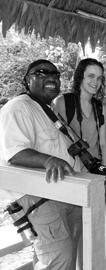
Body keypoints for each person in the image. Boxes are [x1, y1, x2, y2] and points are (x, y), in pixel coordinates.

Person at [0, 59, 82, 269]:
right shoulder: (18, 107)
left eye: (55, 74)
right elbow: (16, 152)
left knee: (57, 257)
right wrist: (48, 160)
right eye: (41, 73)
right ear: (27, 80)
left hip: (64, 194)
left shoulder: (48, 109)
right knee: (59, 258)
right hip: (40, 198)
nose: (51, 78)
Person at [53, 58, 106, 172]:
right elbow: (57, 140)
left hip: (94, 171)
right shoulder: (63, 102)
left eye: (99, 78)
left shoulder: (100, 107)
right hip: (71, 171)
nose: (95, 82)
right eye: (91, 76)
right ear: (80, 76)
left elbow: (103, 145)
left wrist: (104, 172)